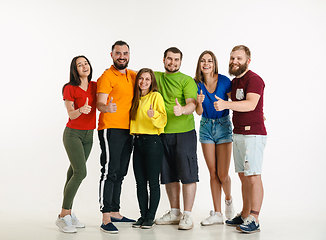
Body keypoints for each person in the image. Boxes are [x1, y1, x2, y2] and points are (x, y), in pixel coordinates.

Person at [214, 45, 267, 234]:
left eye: (239, 58)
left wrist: (226, 104)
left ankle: (255, 218)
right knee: (243, 176)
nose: (234, 61)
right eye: (232, 58)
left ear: (247, 61)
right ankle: (245, 214)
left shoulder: (254, 79)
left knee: (253, 175)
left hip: (253, 134)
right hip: (238, 133)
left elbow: (251, 104)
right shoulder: (235, 82)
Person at [154, 47, 199, 230]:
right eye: (169, 59)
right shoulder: (156, 77)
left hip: (184, 133)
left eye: (176, 59)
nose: (173, 62)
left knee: (187, 174)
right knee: (169, 174)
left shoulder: (187, 80)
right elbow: (138, 76)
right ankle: (175, 212)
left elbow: (192, 104)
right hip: (162, 133)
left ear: (181, 61)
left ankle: (187, 215)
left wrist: (182, 110)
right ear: (163, 60)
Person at [96, 40, 137, 234]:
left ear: (129, 55)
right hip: (110, 128)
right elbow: (100, 103)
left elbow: (149, 81)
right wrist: (107, 108)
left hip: (128, 130)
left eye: (125, 53)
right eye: (118, 53)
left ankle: (115, 212)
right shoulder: (106, 76)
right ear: (112, 55)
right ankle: (105, 217)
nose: (122, 56)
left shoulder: (133, 75)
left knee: (120, 172)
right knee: (109, 172)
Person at [56, 55, 97, 233]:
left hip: (89, 135)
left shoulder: (94, 86)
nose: (84, 66)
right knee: (81, 172)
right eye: (80, 65)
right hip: (73, 134)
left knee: (73, 171)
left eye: (86, 63)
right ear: (75, 69)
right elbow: (71, 114)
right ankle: (63, 215)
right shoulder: (69, 88)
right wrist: (81, 110)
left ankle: (68, 214)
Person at [194, 50, 235, 226]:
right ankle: (217, 213)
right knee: (212, 173)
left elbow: (235, 102)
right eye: (203, 61)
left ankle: (228, 199)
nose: (206, 64)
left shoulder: (225, 81)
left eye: (209, 61)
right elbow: (198, 112)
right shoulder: (196, 84)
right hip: (206, 127)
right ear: (199, 64)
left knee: (223, 174)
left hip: (224, 126)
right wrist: (200, 102)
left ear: (214, 63)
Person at [130, 68, 167, 229]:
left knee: (153, 183)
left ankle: (150, 217)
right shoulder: (135, 98)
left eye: (147, 79)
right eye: (141, 79)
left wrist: (154, 116)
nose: (143, 82)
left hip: (152, 142)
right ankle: (143, 215)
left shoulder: (155, 96)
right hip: (137, 142)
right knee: (140, 183)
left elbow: (163, 120)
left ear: (152, 81)